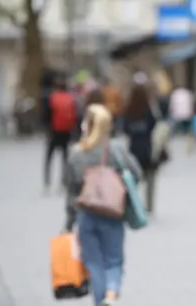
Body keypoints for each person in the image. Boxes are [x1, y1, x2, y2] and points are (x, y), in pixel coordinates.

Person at [64, 104, 142, 306]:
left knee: (94, 263)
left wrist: (69, 221)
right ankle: (111, 293)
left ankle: (101, 302)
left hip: (86, 215)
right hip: (113, 213)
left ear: (86, 125)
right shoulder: (116, 149)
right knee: (114, 260)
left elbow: (71, 189)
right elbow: (137, 173)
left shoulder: (76, 152)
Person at [122, 82, 158, 213]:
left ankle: (133, 204)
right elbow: (154, 124)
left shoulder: (129, 109)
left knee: (133, 179)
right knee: (150, 179)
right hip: (147, 149)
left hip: (133, 150)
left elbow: (125, 128)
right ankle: (149, 206)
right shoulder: (147, 109)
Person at [44, 75, 77, 195]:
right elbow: (75, 116)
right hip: (66, 132)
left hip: (54, 131)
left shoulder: (52, 98)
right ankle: (63, 183)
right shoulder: (71, 98)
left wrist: (47, 128)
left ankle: (47, 182)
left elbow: (47, 115)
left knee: (49, 158)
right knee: (65, 159)